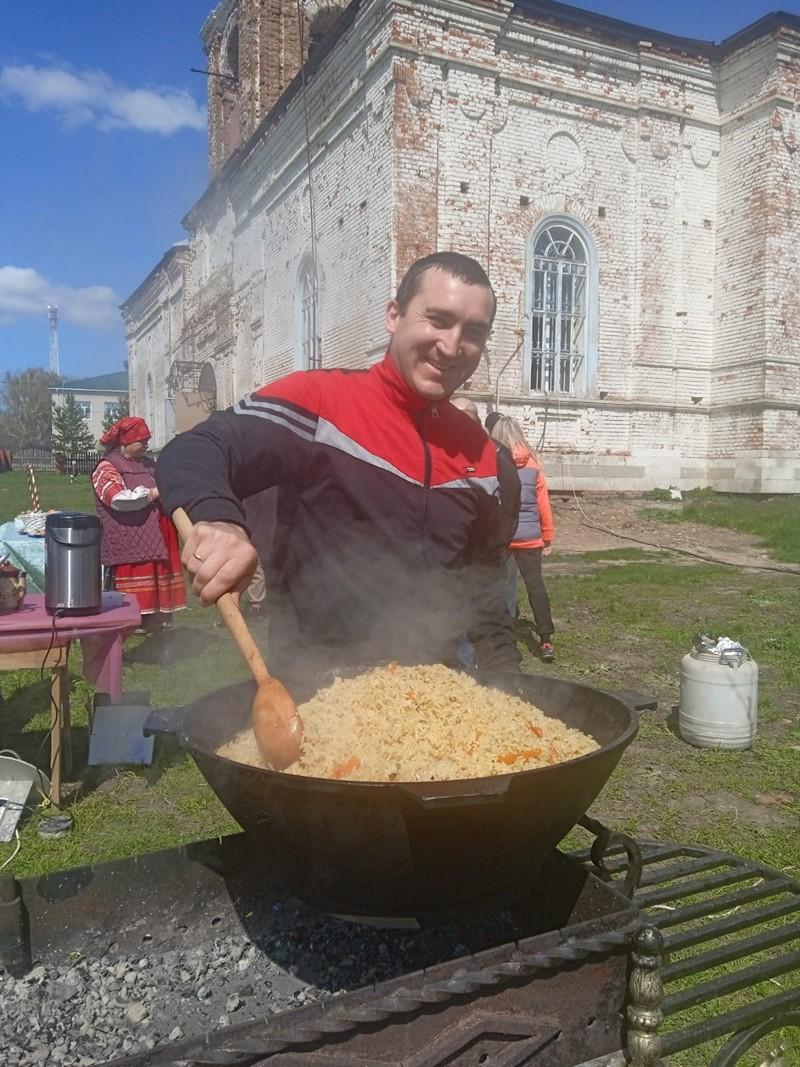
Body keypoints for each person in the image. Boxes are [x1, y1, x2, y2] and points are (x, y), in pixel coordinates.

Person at [156, 252, 520, 686]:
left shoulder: (482, 454)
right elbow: (197, 447)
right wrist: (220, 521)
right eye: (437, 319)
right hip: (316, 691)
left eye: (473, 332)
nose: (452, 345)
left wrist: (511, 690)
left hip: (433, 703)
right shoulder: (319, 404)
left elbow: (485, 594)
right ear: (394, 315)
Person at [92, 416, 187, 629]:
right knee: (136, 588)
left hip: (159, 533)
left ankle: (159, 625)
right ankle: (131, 624)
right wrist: (153, 494)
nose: (146, 445)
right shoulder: (107, 467)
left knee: (160, 584)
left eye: (147, 440)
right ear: (125, 441)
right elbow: (117, 499)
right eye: (142, 441)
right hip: (131, 534)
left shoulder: (148, 464)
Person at [489, 416, 556, 662]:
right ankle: (546, 639)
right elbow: (543, 505)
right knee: (536, 587)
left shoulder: (493, 461)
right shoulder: (534, 463)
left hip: (504, 537)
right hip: (530, 538)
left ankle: (505, 640)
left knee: (505, 589)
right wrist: (547, 536)